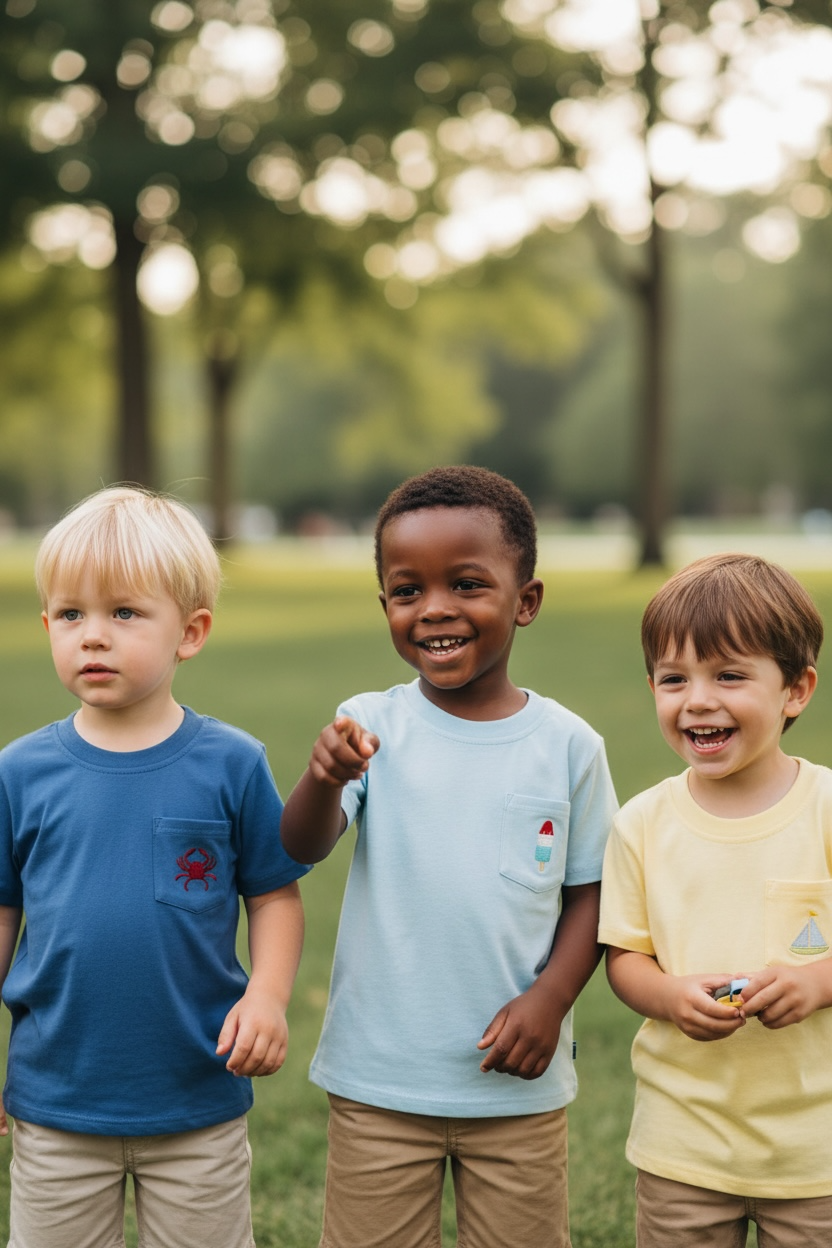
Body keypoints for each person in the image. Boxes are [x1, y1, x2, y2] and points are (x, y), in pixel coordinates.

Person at [280, 465, 618, 1248]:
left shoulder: (569, 746)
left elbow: (592, 894)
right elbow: (300, 846)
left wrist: (551, 1000)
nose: (434, 608)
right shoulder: (370, 724)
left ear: (525, 600)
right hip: (379, 1083)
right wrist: (323, 777)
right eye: (408, 591)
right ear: (386, 607)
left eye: (467, 584)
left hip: (517, 1090)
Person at [0, 486, 309, 1248]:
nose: (92, 636)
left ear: (190, 632)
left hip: (196, 1097)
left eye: (124, 613)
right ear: (46, 626)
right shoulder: (20, 772)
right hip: (56, 1101)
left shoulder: (231, 763)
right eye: (70, 614)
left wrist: (268, 997)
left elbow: (274, 895)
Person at [599, 552, 832, 1247]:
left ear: (796, 690)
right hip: (684, 1142)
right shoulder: (642, 823)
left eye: (729, 675)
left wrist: (816, 983)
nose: (697, 699)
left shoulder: (825, 809)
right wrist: (670, 997)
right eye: (675, 679)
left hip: (817, 1149)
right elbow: (625, 958)